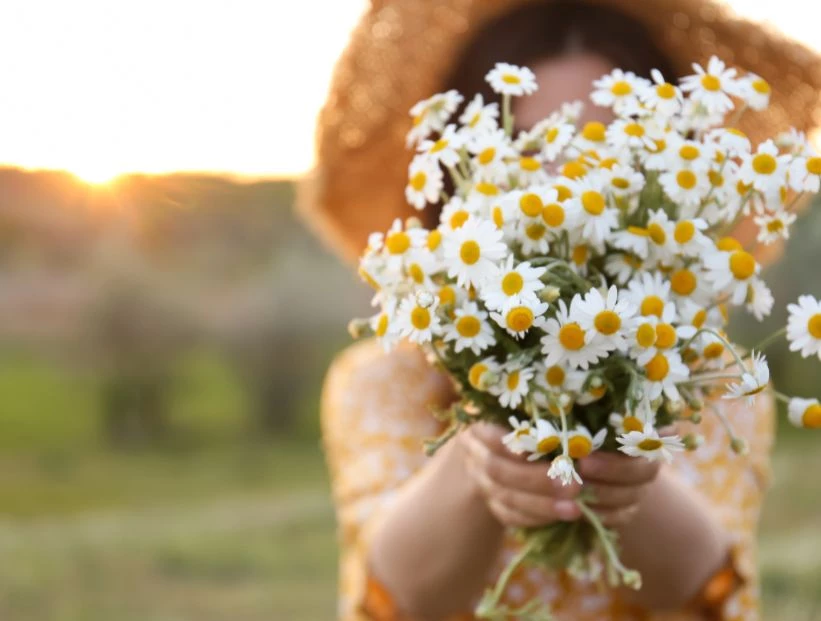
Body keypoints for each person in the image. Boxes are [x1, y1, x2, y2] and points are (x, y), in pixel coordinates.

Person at [299, 1, 821, 620]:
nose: (564, 176)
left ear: (664, 164)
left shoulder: (712, 380)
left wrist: (624, 469)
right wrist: (481, 458)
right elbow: (394, 601)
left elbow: (709, 592)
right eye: (530, 144)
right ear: (467, 174)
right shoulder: (388, 379)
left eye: (602, 140)